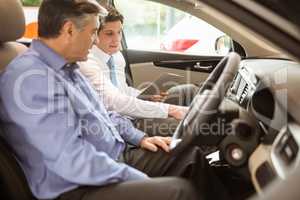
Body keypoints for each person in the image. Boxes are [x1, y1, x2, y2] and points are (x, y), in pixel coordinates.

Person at [0, 1, 228, 200]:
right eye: (92, 32)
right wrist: (137, 178)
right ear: (69, 30)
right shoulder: (31, 78)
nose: (94, 40)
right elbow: (71, 161)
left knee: (189, 156)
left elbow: (102, 113)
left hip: (108, 158)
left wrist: (141, 138)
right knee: (179, 192)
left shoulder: (65, 65)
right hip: (75, 186)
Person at [80, 7, 198, 135]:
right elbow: (114, 101)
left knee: (188, 90)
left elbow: (122, 90)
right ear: (95, 34)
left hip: (131, 110)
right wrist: (171, 109)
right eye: (109, 33)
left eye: (119, 32)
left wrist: (146, 95)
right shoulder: (87, 61)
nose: (117, 39)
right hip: (120, 122)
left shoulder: (117, 56)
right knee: (190, 126)